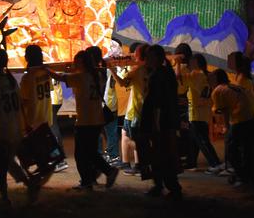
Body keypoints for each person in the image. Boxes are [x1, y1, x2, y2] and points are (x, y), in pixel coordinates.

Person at [49, 50, 119, 190]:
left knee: (82, 153)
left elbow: (59, 77)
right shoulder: (96, 75)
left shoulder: (80, 77)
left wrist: (45, 69)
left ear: (82, 63)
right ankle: (92, 178)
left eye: (76, 62)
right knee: (90, 151)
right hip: (97, 119)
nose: (74, 64)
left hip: (85, 120)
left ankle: (102, 174)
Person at [0, 49, 30, 205]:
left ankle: (6, 196)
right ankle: (27, 183)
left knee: (2, 164)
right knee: (8, 161)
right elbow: (20, 104)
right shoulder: (11, 80)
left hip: (2, 128)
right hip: (16, 126)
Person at [141, 45, 182, 199]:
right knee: (160, 154)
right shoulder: (163, 73)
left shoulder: (160, 75)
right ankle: (162, 185)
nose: (147, 59)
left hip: (160, 121)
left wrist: (156, 123)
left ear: (157, 58)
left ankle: (170, 187)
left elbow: (158, 102)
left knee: (162, 154)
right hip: (163, 121)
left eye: (150, 56)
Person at [211, 68, 254, 194]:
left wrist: (226, 127)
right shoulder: (235, 86)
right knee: (247, 150)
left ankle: (242, 177)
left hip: (239, 120)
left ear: (215, 80)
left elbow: (224, 111)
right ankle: (249, 179)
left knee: (231, 150)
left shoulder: (218, 90)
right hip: (252, 118)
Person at [176, 53, 222, 172]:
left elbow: (178, 77)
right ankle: (192, 163)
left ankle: (215, 163)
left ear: (196, 63)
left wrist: (178, 63)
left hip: (196, 113)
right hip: (204, 113)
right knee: (195, 139)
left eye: (191, 62)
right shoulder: (206, 75)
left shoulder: (196, 74)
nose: (189, 64)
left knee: (202, 140)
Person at [110, 43, 149, 175]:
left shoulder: (137, 70)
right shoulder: (151, 69)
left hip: (135, 109)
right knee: (127, 134)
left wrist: (112, 70)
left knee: (135, 138)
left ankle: (141, 163)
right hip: (145, 109)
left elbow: (122, 83)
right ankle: (136, 164)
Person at [20, 45, 53, 133]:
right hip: (46, 119)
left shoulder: (27, 77)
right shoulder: (46, 73)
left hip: (33, 122)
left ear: (28, 57)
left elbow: (24, 101)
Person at [50, 77, 68, 172]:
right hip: (57, 98)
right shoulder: (53, 69)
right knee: (53, 127)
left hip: (53, 99)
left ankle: (59, 160)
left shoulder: (47, 70)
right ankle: (58, 158)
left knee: (53, 128)